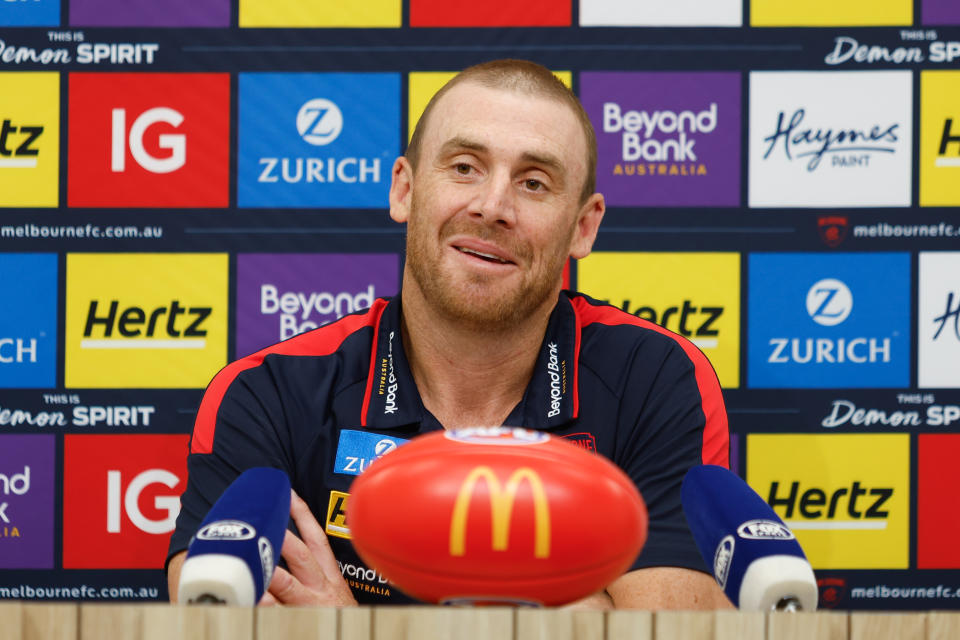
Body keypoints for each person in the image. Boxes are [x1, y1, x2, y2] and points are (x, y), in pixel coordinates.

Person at [166, 59, 731, 609]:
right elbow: (213, 621)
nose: (492, 206)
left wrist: (346, 627)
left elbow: (666, 631)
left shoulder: (656, 379)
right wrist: (574, 599)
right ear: (404, 191)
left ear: (583, 227)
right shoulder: (268, 393)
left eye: (534, 183)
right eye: (464, 167)